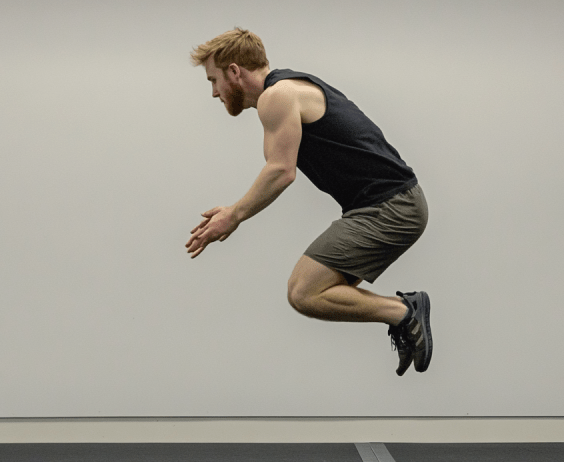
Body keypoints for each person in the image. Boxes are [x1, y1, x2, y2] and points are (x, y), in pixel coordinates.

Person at [185, 28, 433, 375]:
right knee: (317, 292)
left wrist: (234, 215)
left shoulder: (279, 95)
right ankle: (404, 315)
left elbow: (281, 171)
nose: (214, 92)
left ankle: (405, 313)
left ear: (234, 71)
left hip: (392, 207)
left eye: (214, 80)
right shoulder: (289, 90)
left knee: (303, 292)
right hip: (388, 204)